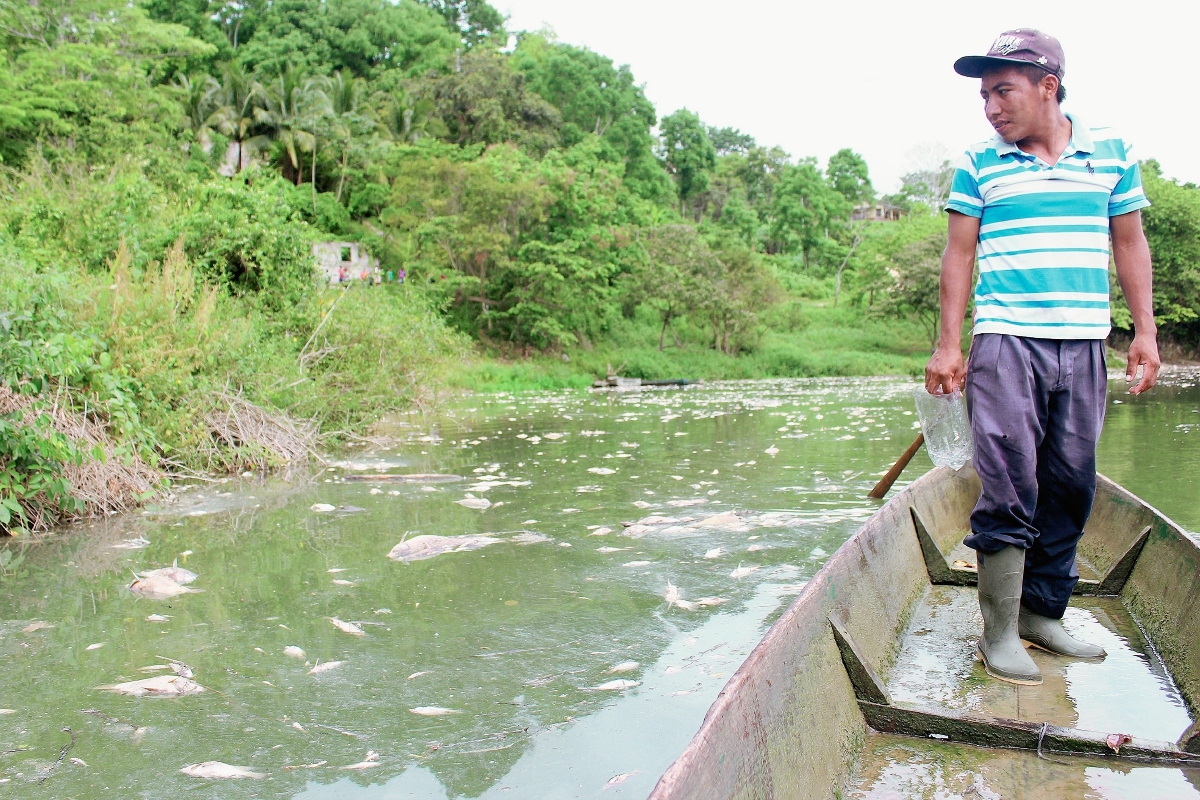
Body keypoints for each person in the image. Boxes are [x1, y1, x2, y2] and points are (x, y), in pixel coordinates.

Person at [926, 29, 1160, 686]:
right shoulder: (980, 161)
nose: (990, 106)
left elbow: (1130, 244)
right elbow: (959, 254)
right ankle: (997, 632)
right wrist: (949, 344)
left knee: (1071, 482)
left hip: (1084, 343)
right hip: (1005, 344)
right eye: (984, 95)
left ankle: (1041, 614)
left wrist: (1143, 332)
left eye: (1002, 90)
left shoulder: (1111, 153)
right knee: (1009, 486)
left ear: (1047, 86)